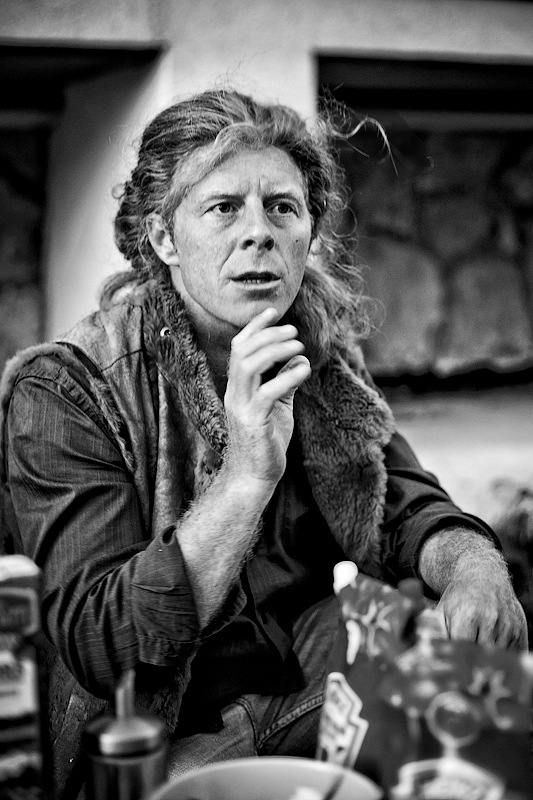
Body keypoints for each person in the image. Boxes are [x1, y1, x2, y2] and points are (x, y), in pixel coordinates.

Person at [0, 89, 527, 799]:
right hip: (158, 738)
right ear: (163, 239)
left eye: (282, 207)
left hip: (315, 682)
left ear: (309, 231)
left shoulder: (316, 352)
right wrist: (247, 472)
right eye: (223, 208)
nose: (259, 233)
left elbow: (400, 502)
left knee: (494, 721)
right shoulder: (67, 389)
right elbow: (105, 644)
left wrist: (474, 565)